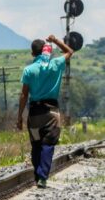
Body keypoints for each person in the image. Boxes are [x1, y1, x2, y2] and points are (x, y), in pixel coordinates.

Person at [16, 35, 74, 188]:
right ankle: (42, 177)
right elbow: (70, 51)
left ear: (32, 54)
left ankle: (38, 174)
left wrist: (19, 117)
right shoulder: (56, 64)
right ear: (45, 50)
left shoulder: (28, 70)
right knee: (48, 144)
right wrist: (55, 40)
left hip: (34, 114)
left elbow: (24, 95)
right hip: (51, 113)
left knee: (36, 144)